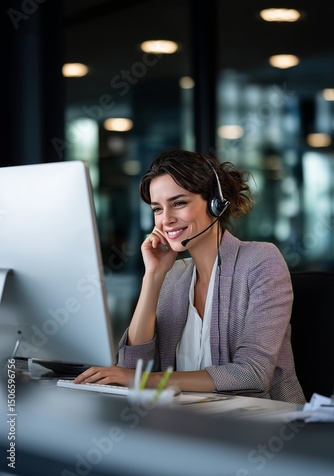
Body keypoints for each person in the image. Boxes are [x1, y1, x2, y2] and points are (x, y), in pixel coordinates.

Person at [75, 149, 305, 403]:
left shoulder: (260, 261)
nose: (166, 220)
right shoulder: (174, 276)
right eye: (157, 209)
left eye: (179, 203)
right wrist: (153, 276)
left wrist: (144, 380)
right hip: (183, 423)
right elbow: (132, 365)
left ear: (216, 203)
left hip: (261, 427)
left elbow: (252, 374)